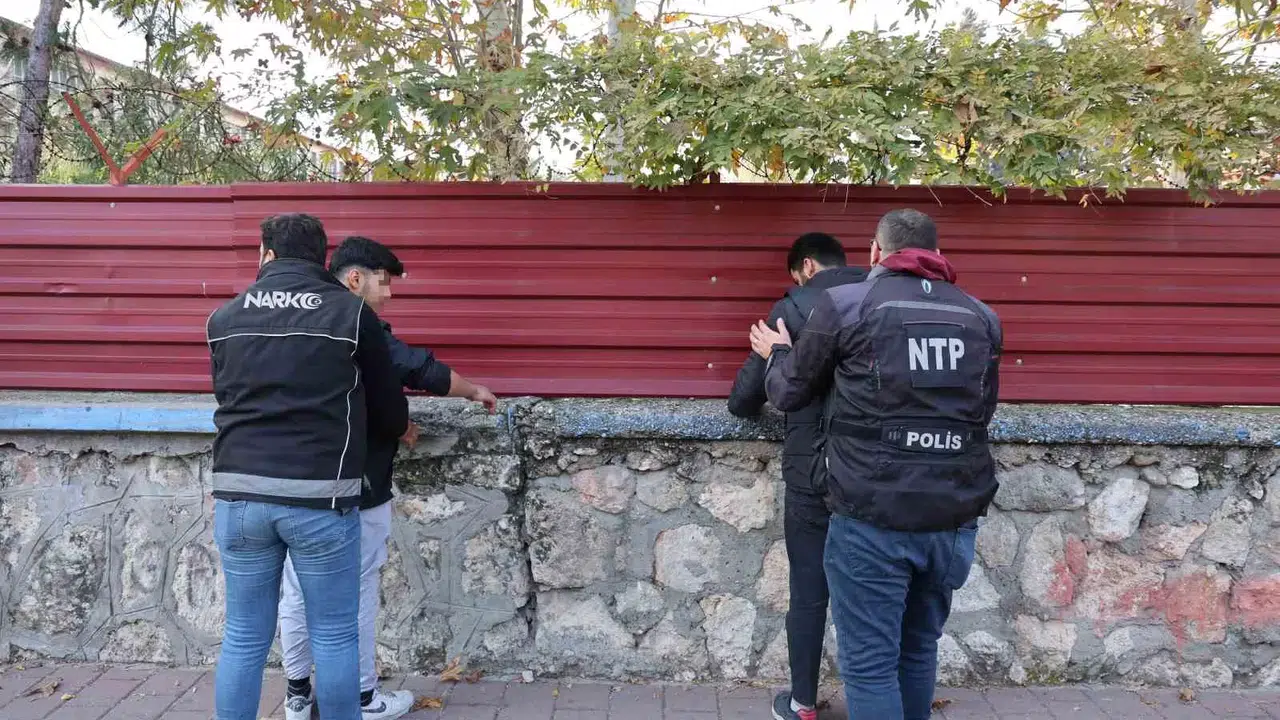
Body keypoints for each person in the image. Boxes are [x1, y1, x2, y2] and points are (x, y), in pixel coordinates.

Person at [750, 209, 1002, 720]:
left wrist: (777, 354)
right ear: (937, 254)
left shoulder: (847, 304)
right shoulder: (981, 317)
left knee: (869, 666)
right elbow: (982, 409)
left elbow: (789, 392)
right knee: (918, 649)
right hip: (952, 517)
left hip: (872, 516)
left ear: (874, 253)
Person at [278, 235, 499, 720]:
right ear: (355, 279)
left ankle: (296, 696)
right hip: (357, 481)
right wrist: (472, 390)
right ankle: (363, 698)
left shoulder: (292, 321)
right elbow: (415, 369)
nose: (389, 293)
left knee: (296, 587)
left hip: (290, 477)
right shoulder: (357, 323)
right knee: (357, 589)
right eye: (384, 282)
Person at [207, 214, 409, 720]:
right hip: (321, 497)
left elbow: (228, 395)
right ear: (322, 259)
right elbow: (390, 412)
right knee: (335, 635)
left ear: (266, 255)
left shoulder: (223, 318)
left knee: (243, 637)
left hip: (239, 494)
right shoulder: (350, 314)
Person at [725, 232, 866, 720]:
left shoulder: (795, 307)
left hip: (811, 474)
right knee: (872, 590)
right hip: (869, 472)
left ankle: (802, 702)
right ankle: (875, 700)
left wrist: (774, 356)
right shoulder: (879, 301)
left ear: (807, 267)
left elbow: (744, 400)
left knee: (808, 592)